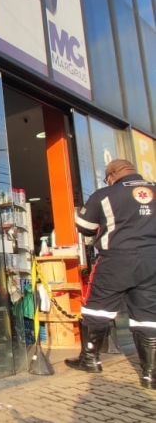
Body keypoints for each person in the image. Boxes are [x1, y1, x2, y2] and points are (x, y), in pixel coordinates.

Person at [66, 158, 156, 387]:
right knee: (148, 315)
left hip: (117, 258)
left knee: (97, 309)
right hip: (152, 259)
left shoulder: (105, 194)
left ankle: (90, 359)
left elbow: (84, 226)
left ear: (112, 176)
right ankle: (150, 374)